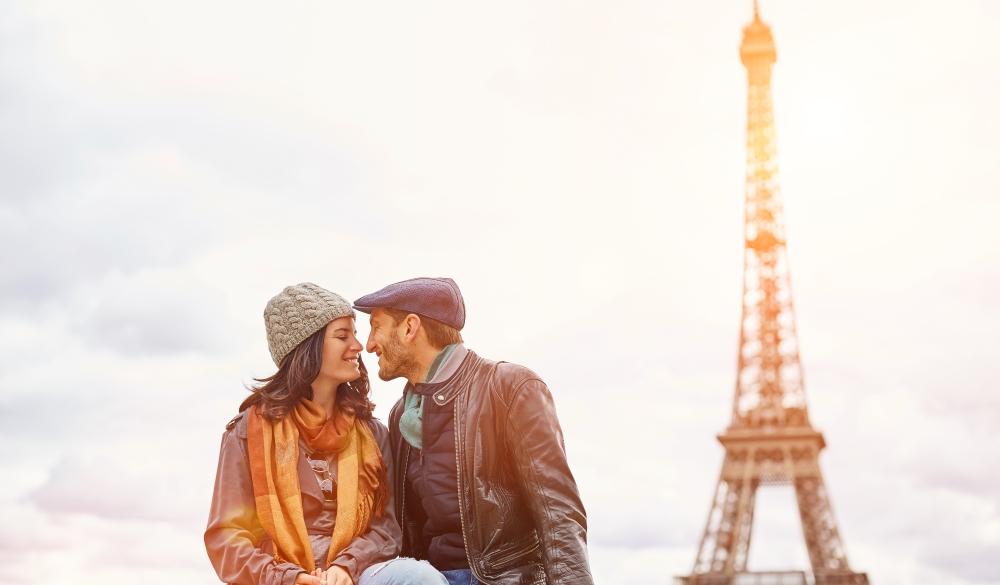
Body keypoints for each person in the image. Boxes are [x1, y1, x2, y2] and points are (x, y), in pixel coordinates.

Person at [353, 277, 594, 585]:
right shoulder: (401, 416)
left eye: (376, 327)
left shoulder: (509, 388)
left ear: (410, 328)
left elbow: (558, 511)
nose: (369, 344)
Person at [205, 283, 447, 585]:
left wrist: (346, 567)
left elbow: (386, 529)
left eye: (355, 335)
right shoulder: (245, 434)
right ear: (308, 347)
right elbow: (227, 538)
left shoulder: (373, 434)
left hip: (355, 577)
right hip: (277, 578)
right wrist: (289, 578)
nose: (359, 346)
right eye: (343, 336)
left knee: (418, 577)